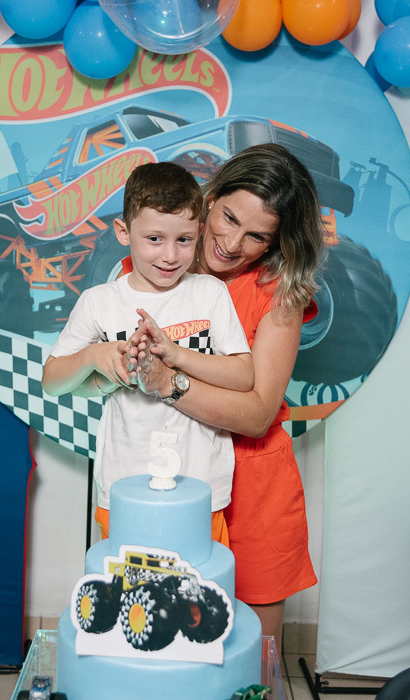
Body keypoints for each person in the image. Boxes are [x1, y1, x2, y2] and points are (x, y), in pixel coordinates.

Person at [124, 143, 324, 656]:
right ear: (209, 197)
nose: (233, 243)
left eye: (257, 235)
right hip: (168, 470)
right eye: (229, 217)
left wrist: (169, 382)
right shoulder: (155, 264)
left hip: (253, 483)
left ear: (278, 239)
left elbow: (257, 414)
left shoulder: (279, 289)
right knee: (159, 634)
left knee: (253, 663)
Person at [41, 160, 254, 545]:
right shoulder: (99, 302)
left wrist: (175, 355)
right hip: (124, 482)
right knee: (129, 595)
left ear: (199, 232)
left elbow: (244, 376)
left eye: (184, 240)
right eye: (154, 239)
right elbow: (52, 381)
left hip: (201, 485)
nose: (170, 255)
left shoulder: (209, 292)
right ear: (123, 232)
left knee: (197, 594)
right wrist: (96, 357)